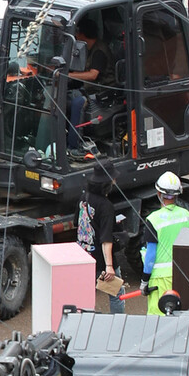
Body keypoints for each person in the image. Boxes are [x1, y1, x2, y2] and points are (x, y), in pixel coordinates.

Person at [141, 170, 189, 315]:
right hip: (181, 274)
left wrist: (145, 281)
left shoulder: (153, 219)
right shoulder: (187, 215)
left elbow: (151, 254)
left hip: (159, 279)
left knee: (157, 318)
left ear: (159, 194)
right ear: (177, 195)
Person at [78, 162, 122, 311]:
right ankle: (119, 325)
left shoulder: (84, 197)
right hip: (102, 261)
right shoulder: (106, 206)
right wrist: (110, 267)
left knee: (86, 297)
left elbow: (76, 223)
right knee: (116, 295)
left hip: (84, 255)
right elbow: (106, 239)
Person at [67, 22, 111, 151]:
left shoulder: (99, 51)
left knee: (77, 103)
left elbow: (93, 75)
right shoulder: (88, 49)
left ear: (82, 34)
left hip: (103, 91)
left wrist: (69, 75)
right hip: (90, 88)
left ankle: (74, 146)